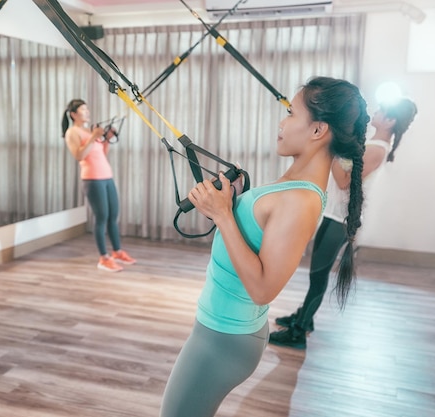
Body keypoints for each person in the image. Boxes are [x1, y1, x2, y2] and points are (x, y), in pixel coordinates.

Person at [159, 76, 370, 417]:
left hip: (223, 339)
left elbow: (263, 288)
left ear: (318, 130)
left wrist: (225, 215)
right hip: (221, 330)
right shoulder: (295, 184)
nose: (282, 122)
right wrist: (236, 203)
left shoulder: (301, 200)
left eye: (290, 113)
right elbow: (259, 237)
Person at [269, 97, 417, 349]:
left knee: (318, 274)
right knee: (316, 271)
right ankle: (305, 316)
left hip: (343, 220)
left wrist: (331, 150)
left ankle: (299, 330)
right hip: (334, 213)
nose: (376, 111)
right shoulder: (372, 144)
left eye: (382, 111)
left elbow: (343, 181)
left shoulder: (377, 148)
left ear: (390, 121)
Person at [61, 99, 136, 272]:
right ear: (73, 114)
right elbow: (79, 155)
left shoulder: (88, 130)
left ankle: (117, 252)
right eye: (83, 110)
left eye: (87, 109)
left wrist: (106, 140)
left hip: (106, 176)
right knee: (102, 217)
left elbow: (101, 153)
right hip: (92, 179)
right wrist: (94, 137)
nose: (87, 112)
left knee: (113, 216)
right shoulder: (72, 132)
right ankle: (104, 258)